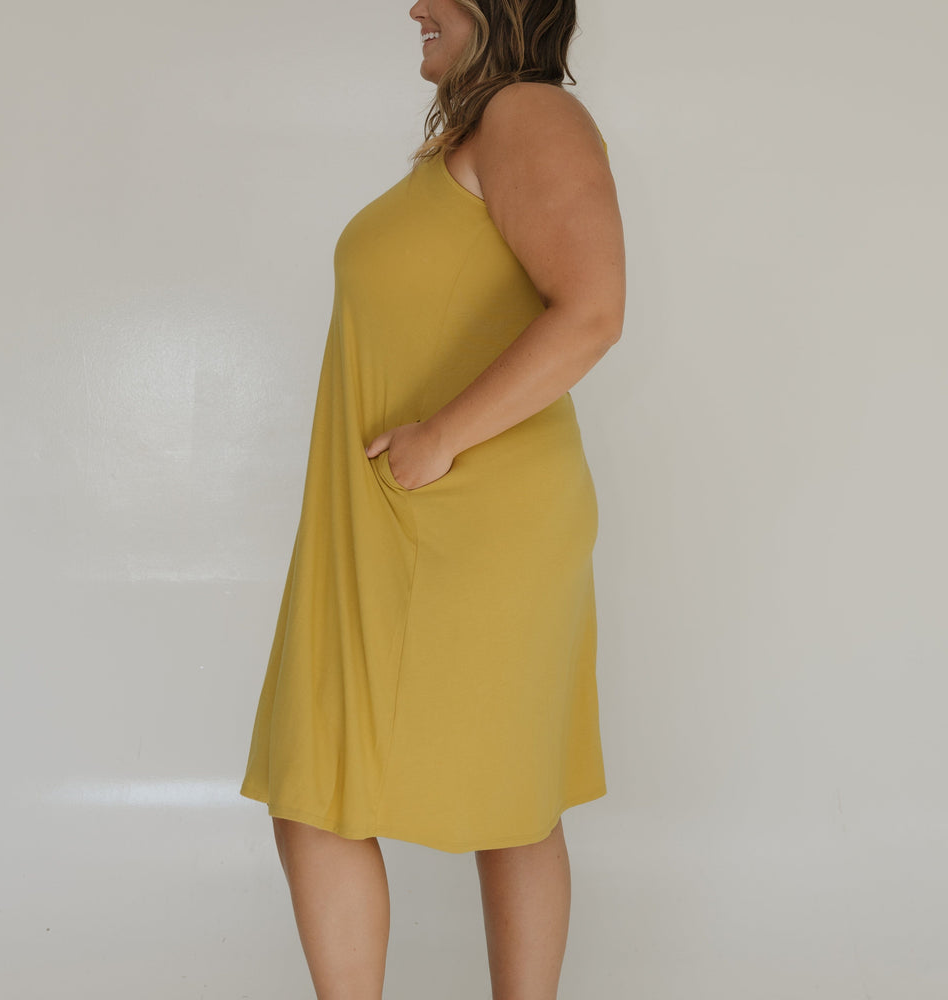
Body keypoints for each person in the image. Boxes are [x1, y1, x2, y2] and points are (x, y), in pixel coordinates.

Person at [239, 0, 626, 996]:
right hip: (403, 520)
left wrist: (438, 439)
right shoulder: (476, 131)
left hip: (465, 518)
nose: (414, 5)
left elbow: (592, 309)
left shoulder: (530, 112)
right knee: (374, 786)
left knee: (385, 790)